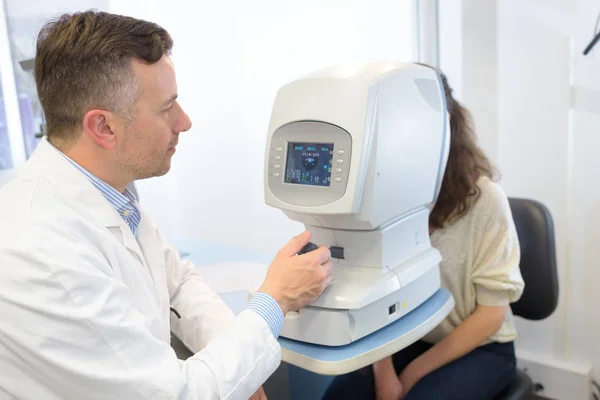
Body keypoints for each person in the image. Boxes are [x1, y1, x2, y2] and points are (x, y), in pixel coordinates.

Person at [0, 11, 333, 400]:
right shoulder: (40, 252)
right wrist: (275, 300)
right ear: (103, 127)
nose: (185, 121)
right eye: (166, 107)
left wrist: (244, 367)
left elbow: (177, 283)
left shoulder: (108, 191)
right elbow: (177, 395)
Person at [322, 65, 525, 400]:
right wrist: (384, 371)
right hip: (404, 338)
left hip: (480, 347)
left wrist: (412, 373)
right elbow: (376, 290)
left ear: (443, 129)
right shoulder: (384, 194)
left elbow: (491, 315)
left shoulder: (486, 200)